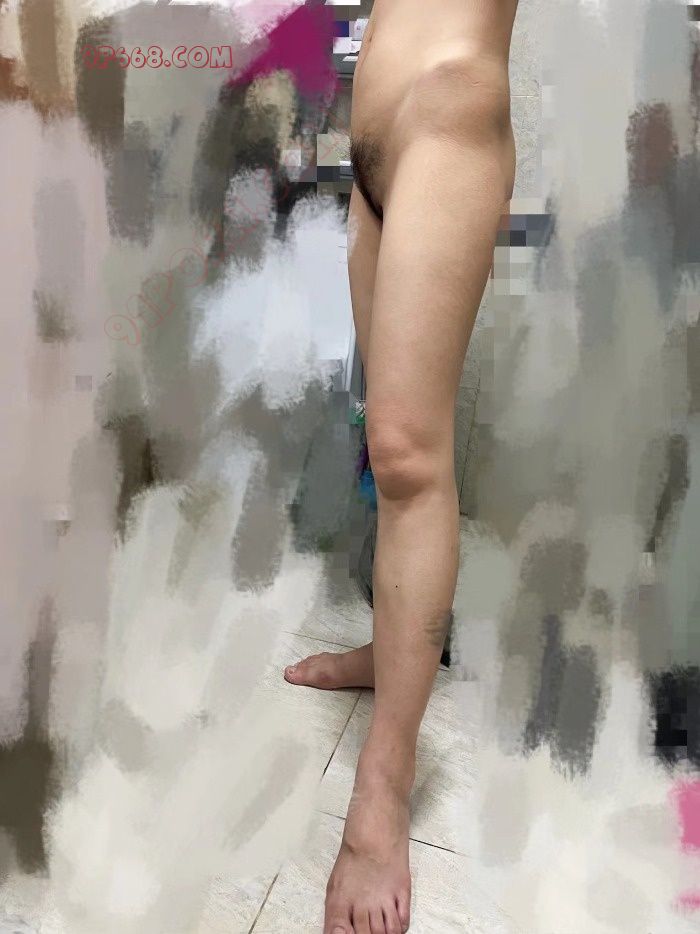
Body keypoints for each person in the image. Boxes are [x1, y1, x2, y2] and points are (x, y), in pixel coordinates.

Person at [284, 1, 519, 930]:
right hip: (376, 132)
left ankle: (384, 785)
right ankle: (391, 652)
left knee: (410, 455)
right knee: (381, 432)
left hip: (449, 119)